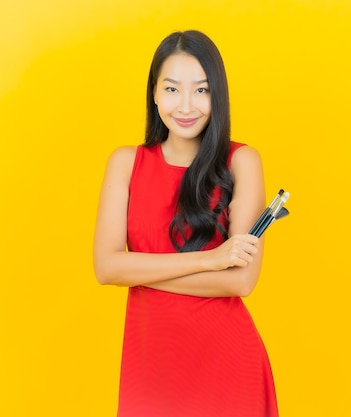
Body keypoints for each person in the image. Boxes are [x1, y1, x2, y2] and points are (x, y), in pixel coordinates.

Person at [93, 30, 278, 417]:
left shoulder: (242, 162)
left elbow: (240, 281)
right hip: (150, 368)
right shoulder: (125, 163)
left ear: (218, 95)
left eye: (201, 89)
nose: (186, 105)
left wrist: (138, 269)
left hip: (227, 367)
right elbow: (106, 268)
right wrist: (210, 260)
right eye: (173, 89)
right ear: (155, 94)